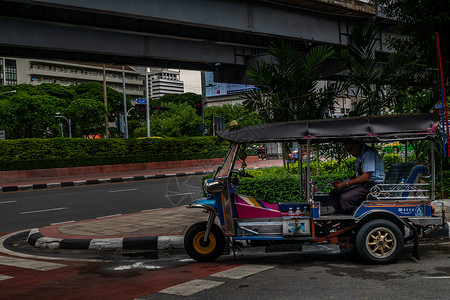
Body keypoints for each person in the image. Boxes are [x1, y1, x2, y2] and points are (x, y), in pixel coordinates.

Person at [327, 141, 385, 214]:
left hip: (371, 186)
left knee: (345, 198)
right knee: (334, 193)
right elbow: (358, 174)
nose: (350, 153)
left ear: (357, 145)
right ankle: (332, 212)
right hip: (363, 184)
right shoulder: (360, 155)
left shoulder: (368, 153)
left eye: (350, 150)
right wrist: (343, 182)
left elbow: (365, 177)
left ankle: (351, 219)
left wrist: (346, 184)